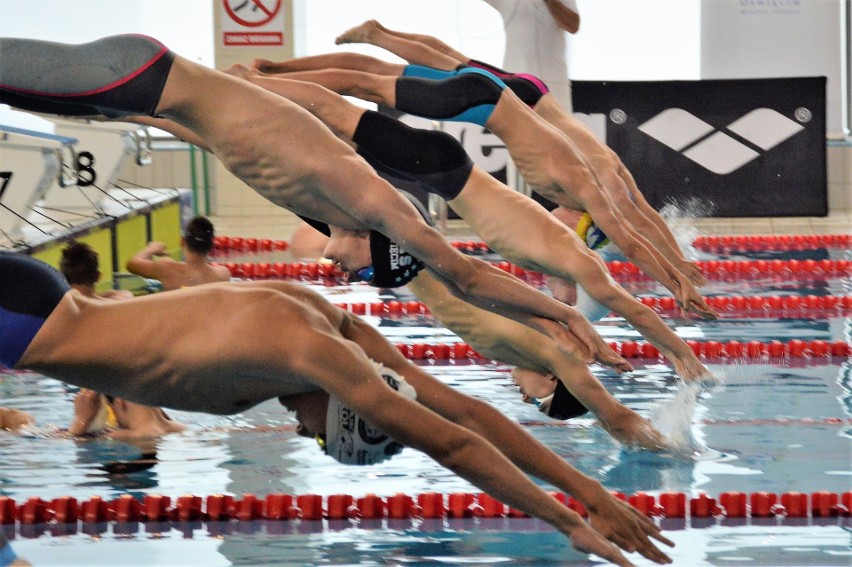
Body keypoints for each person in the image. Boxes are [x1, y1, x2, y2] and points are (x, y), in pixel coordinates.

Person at [1, 251, 673, 565]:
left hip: (36, 305)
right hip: (23, 323)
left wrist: (591, 489)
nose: (301, 431)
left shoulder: (332, 325)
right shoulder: (309, 353)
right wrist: (568, 520)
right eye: (323, 440)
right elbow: (454, 443)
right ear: (351, 413)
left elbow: (466, 411)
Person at [0, 34, 622, 369]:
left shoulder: (312, 201)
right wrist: (560, 316)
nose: (346, 271)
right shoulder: (365, 196)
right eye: (367, 268)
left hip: (140, 93)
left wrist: (136, 118)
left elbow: (206, 131)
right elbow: (461, 274)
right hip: (141, 72)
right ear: (378, 239)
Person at [223, 67, 712, 381]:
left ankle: (257, 83)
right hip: (443, 167)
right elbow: (629, 263)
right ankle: (248, 80)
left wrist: (673, 288)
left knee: (350, 103)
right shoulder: (584, 239)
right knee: (340, 106)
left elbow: (593, 286)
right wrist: (680, 340)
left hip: (451, 164)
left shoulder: (566, 248)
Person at [328, 19, 706, 286]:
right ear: (582, 218)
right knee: (398, 75)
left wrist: (680, 264)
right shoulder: (598, 187)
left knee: (447, 59)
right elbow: (633, 234)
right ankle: (365, 41)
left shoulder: (611, 175)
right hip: (515, 102)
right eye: (570, 226)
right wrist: (676, 277)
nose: (558, 220)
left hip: (535, 93)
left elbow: (647, 220)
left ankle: (379, 34)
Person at [289, 218, 670, 451]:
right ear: (555, 379)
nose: (525, 400)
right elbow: (616, 417)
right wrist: (673, 444)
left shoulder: (523, 349)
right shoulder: (559, 354)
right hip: (397, 248)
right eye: (540, 402)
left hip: (398, 259)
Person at [58, 241, 185, 439]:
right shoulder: (121, 301)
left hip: (99, 390)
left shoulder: (64, 316)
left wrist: (80, 422)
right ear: (98, 277)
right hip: (134, 386)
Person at [481, 0, 579, 111]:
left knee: (559, 128)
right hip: (516, 83)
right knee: (515, 127)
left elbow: (573, 26)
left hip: (554, 84)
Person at [126, 215, 231, 290]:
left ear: (182, 241)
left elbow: (131, 264)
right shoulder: (222, 275)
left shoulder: (167, 269)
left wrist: (151, 248)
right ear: (211, 246)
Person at [59, 240, 134, 300]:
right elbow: (127, 295)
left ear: (61, 278)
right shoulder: (117, 302)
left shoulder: (58, 309)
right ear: (98, 276)